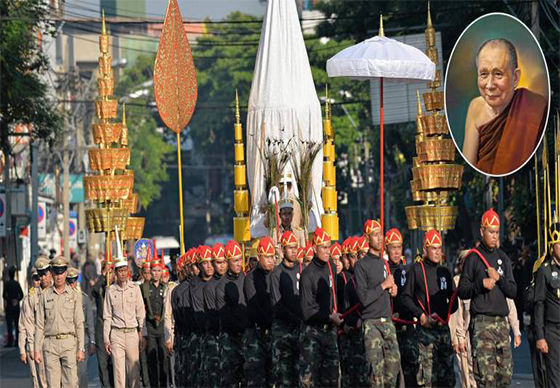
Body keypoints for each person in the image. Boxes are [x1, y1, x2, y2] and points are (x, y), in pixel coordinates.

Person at [462, 38, 547, 175]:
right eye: (483, 74)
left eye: (498, 74)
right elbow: (469, 168)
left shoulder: (534, 107)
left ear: (515, 78)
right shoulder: (475, 107)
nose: (489, 85)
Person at [458, 209, 517, 387]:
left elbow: (513, 291)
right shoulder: (473, 258)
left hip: (501, 323)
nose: (494, 236)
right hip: (482, 323)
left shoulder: (503, 258)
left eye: (496, 232)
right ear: (482, 231)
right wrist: (480, 284)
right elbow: (462, 290)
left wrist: (499, 279)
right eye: (490, 232)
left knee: (505, 376)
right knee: (486, 377)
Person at [402, 230, 458, 387]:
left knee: (448, 378)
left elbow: (454, 301)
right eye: (433, 248)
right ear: (425, 250)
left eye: (439, 248)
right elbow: (405, 297)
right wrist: (420, 315)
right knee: (427, 379)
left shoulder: (445, 271)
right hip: (426, 331)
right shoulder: (416, 269)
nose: (437, 252)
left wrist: (445, 315)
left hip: (443, 331)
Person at [354, 220, 400, 388]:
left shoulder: (384, 263)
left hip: (387, 320)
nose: (380, 238)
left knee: (393, 367)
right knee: (375, 371)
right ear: (367, 238)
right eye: (375, 235)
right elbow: (364, 298)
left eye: (381, 234)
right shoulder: (361, 266)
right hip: (371, 323)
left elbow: (386, 288)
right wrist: (383, 285)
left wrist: (392, 290)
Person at [299, 228, 342, 388]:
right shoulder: (308, 274)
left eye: (329, 246)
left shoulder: (331, 267)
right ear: (314, 248)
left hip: (329, 331)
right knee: (309, 381)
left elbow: (334, 298)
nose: (327, 251)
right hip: (313, 333)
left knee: (331, 379)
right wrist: (329, 316)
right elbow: (306, 310)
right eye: (323, 247)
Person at [34, 256, 85, 388]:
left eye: (61, 272)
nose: (59, 276)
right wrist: (36, 349)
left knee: (71, 383)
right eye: (56, 272)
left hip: (69, 343)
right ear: (51, 273)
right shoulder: (45, 296)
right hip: (50, 344)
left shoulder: (74, 296)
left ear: (66, 273)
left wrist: (81, 348)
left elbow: (79, 323)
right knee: (53, 384)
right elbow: (39, 324)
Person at [104, 256, 147, 388]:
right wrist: (106, 339)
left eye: (125, 270)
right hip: (116, 334)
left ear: (128, 271)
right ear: (115, 273)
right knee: (118, 372)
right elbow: (107, 316)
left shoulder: (135, 289)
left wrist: (142, 334)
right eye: (120, 271)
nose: (123, 273)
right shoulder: (110, 291)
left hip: (132, 334)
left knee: (134, 371)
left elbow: (141, 313)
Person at [270, 231, 304, 388]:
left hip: (301, 328)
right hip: (283, 330)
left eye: (295, 247)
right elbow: (277, 305)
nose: (293, 251)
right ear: (283, 249)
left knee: (301, 375)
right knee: (284, 376)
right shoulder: (276, 273)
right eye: (290, 248)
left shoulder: (303, 269)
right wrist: (296, 318)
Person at [386, 228, 418, 388]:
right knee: (391, 371)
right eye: (393, 247)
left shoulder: (408, 270)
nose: (397, 251)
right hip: (389, 326)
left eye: (399, 247)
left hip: (407, 324)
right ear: (387, 249)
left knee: (411, 367)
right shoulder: (383, 270)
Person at [244, 237, 275, 387]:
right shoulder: (251, 278)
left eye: (273, 257)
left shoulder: (276, 275)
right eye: (267, 257)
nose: (271, 261)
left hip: (275, 331)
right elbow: (254, 305)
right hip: (258, 332)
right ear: (259, 257)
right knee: (257, 379)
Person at [216, 241, 247, 387]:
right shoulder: (222, 285)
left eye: (240, 259)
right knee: (230, 380)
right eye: (235, 260)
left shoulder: (246, 279)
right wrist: (242, 326)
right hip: (230, 338)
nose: (239, 263)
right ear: (228, 261)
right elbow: (225, 316)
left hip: (247, 337)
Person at [339, 237, 368, 388]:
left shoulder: (376, 278)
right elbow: (344, 310)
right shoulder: (347, 282)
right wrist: (349, 323)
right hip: (354, 334)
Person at [535, 222, 560, 388]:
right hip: (553, 331)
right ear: (553, 246)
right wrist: (540, 336)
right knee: (554, 377)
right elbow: (539, 304)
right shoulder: (544, 270)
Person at [139, 253, 169, 388]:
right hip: (150, 327)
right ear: (150, 272)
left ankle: (163, 385)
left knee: (163, 359)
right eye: (153, 271)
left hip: (162, 327)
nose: (156, 274)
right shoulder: (144, 288)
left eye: (158, 271)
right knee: (151, 359)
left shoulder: (166, 287)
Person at [202, 243, 228, 387]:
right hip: (216, 337)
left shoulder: (232, 281)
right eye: (219, 262)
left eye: (224, 262)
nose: (222, 266)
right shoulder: (209, 287)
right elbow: (213, 315)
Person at [18, 262, 48, 388]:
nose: (38, 281)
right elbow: (23, 325)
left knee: (49, 379)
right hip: (33, 343)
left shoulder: (49, 294)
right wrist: (23, 349)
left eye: (39, 277)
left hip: (48, 343)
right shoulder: (28, 299)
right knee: (36, 379)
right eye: (35, 278)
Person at [190, 245, 215, 387]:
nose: (210, 266)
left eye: (211, 261)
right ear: (200, 265)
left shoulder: (218, 280)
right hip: (204, 335)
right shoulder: (195, 285)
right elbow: (199, 313)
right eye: (205, 263)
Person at [67, 268, 95, 388]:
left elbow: (90, 321)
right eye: (69, 281)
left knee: (82, 372)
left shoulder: (84, 298)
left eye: (73, 281)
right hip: (67, 340)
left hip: (82, 340)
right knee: (69, 374)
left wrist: (92, 341)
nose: (72, 284)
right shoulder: (61, 298)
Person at [92, 259, 115, 387]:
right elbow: (94, 290)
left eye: (111, 272)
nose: (109, 275)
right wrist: (103, 276)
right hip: (101, 328)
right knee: (103, 363)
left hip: (114, 328)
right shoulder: (100, 288)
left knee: (114, 363)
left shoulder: (116, 287)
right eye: (107, 272)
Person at [3, 265, 23, 347]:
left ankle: (10, 342)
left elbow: (4, 295)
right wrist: (16, 300)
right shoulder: (16, 284)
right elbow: (21, 295)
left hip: (9, 308)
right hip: (16, 307)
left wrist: (10, 301)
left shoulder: (7, 284)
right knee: (17, 325)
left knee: (10, 325)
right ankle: (17, 342)